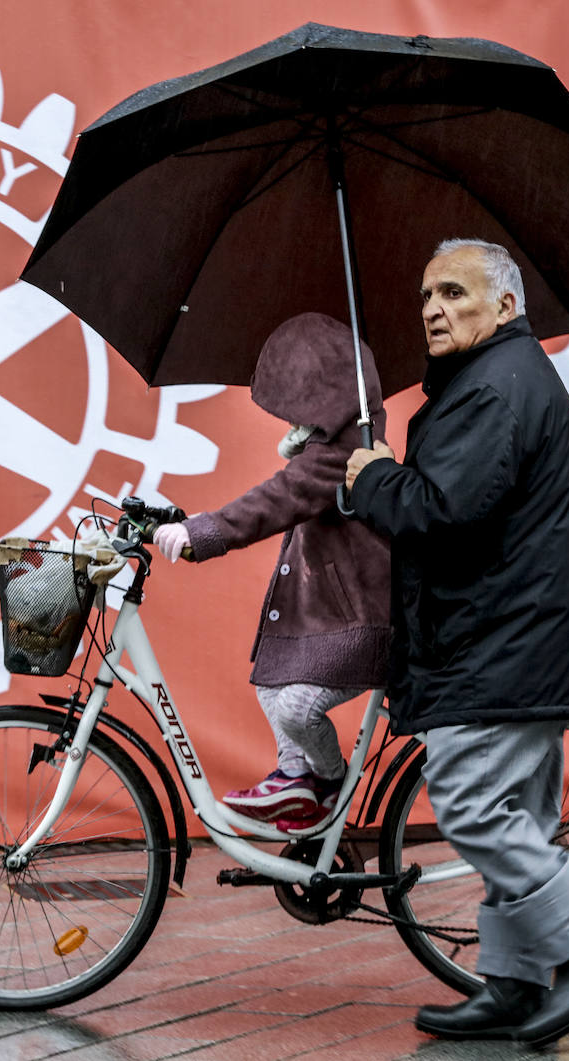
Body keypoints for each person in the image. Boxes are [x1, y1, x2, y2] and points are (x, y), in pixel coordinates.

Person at [344, 239, 569, 1048]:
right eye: (426, 297)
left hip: (495, 643)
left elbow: (443, 511)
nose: (433, 309)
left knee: (476, 810)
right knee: (517, 815)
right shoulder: (498, 379)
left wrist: (371, 477)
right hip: (516, 637)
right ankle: (513, 984)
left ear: (505, 306)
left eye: (454, 293)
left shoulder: (494, 388)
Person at [153, 312, 391, 831]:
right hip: (327, 615)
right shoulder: (325, 448)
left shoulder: (344, 453)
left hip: (358, 621)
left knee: (298, 708)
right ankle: (293, 777)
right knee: (270, 683)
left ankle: (327, 782)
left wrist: (208, 531)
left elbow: (278, 499)